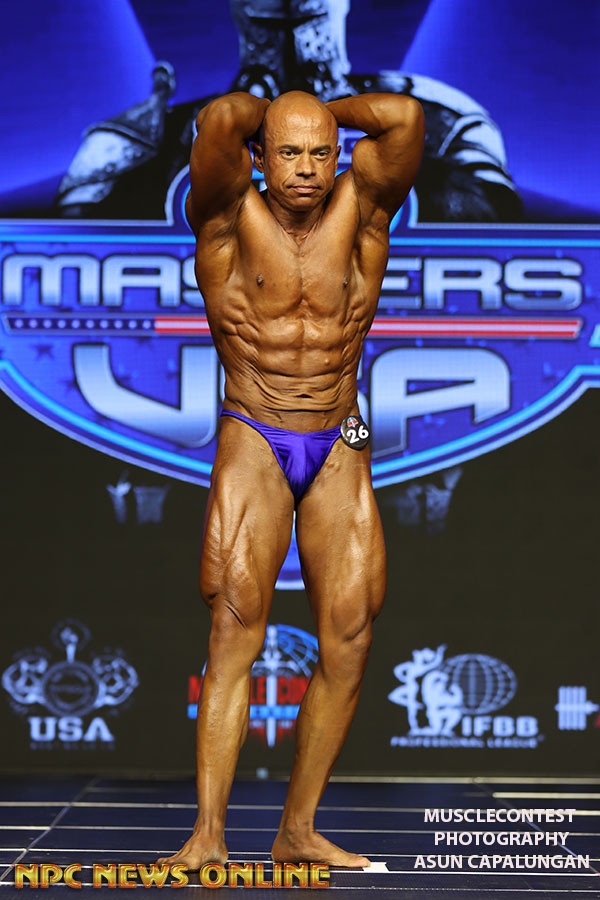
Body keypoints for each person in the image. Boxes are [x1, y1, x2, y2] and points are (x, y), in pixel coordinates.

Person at [157, 89, 424, 870]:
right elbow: (222, 120)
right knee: (235, 626)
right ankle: (208, 835)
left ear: (338, 155)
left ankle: (297, 830)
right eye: (289, 152)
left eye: (320, 153)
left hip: (341, 433)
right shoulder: (222, 213)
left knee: (351, 633)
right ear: (260, 158)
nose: (306, 168)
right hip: (255, 431)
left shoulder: (364, 207)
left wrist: (320, 112)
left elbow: (405, 120)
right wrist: (280, 108)